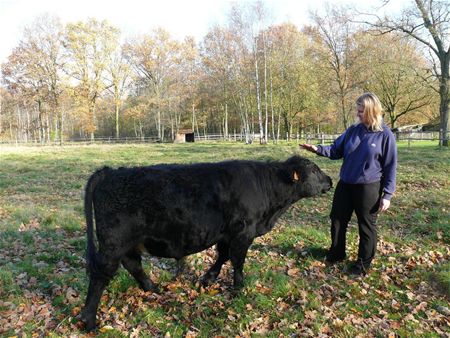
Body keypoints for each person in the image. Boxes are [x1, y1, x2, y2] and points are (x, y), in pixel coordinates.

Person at [300, 92, 397, 276]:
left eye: (361, 111)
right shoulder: (353, 130)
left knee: (366, 226)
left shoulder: (385, 135)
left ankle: (362, 264)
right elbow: (336, 150)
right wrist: (317, 149)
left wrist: (387, 195)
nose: (358, 114)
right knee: (337, 220)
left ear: (371, 111)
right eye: (357, 110)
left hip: (369, 188)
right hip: (345, 185)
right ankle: (336, 254)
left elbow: (390, 166)